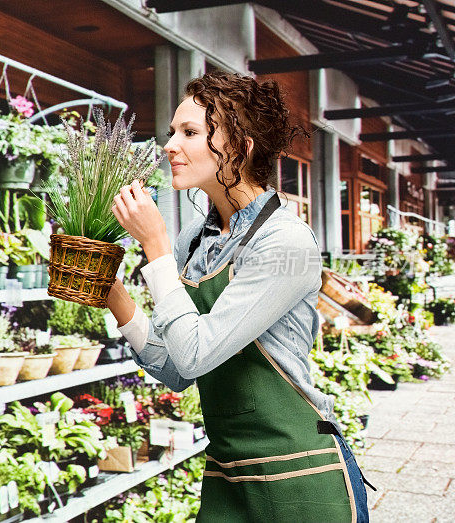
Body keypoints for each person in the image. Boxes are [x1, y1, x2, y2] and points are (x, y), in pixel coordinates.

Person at [107, 71, 371, 522]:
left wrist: (155, 248)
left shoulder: (284, 242)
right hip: (228, 476)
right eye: (173, 131)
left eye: (190, 132)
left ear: (242, 147)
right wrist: (112, 293)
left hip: (299, 474)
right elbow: (177, 369)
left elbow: (193, 354)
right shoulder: (198, 240)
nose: (170, 144)